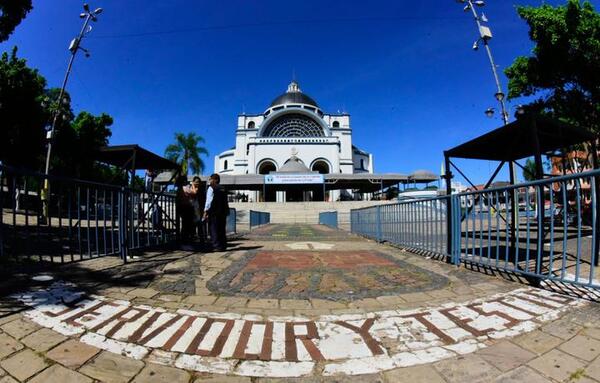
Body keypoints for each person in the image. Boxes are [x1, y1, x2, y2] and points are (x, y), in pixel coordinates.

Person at [203, 173, 229, 251]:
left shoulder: (211, 188)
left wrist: (205, 211)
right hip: (223, 212)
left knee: (213, 229)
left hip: (214, 211)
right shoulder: (223, 188)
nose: (210, 181)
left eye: (211, 179)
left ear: (215, 180)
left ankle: (216, 246)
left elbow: (209, 201)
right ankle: (223, 245)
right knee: (222, 229)